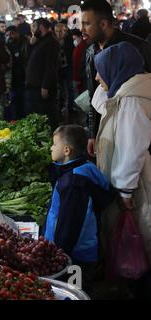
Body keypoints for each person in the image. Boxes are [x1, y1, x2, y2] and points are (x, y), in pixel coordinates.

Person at [91, 42, 151, 296]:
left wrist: (125, 192)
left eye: (101, 71)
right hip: (130, 181)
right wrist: (107, 83)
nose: (96, 77)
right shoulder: (127, 94)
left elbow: (131, 149)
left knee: (137, 237)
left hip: (135, 185)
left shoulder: (132, 102)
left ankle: (138, 285)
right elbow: (100, 101)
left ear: (117, 70)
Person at [44, 124, 114, 295]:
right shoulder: (85, 168)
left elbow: (70, 224)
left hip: (74, 255)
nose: (51, 148)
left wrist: (59, 253)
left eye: (54, 144)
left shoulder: (73, 183)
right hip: (84, 249)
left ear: (66, 150)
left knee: (75, 291)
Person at [80, 0, 151, 157]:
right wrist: (93, 132)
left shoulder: (137, 47)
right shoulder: (90, 51)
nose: (81, 29)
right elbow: (93, 94)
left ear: (104, 24)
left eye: (86, 24)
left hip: (138, 132)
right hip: (107, 128)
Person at [24, 18, 60, 129]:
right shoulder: (40, 41)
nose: (32, 30)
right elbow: (28, 58)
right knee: (37, 116)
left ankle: (52, 138)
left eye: (34, 27)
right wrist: (30, 44)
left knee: (47, 115)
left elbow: (51, 66)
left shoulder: (51, 42)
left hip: (41, 87)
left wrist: (45, 86)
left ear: (41, 27)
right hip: (34, 85)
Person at [5, 25, 28, 119]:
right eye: (7, 35)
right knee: (14, 103)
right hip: (13, 81)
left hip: (24, 80)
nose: (9, 36)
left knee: (24, 103)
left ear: (17, 33)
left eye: (12, 34)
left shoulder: (25, 44)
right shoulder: (7, 47)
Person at [55, 23, 75, 121]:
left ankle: (70, 110)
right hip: (58, 70)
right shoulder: (53, 42)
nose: (59, 34)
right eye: (57, 32)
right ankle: (61, 109)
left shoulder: (69, 40)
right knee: (60, 90)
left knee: (69, 89)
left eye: (61, 31)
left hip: (67, 68)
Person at [72, 29, 88, 95]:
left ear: (80, 37)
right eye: (73, 39)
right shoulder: (86, 44)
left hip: (80, 77)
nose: (74, 41)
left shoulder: (79, 48)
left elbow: (76, 65)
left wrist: (76, 78)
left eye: (75, 39)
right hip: (84, 76)